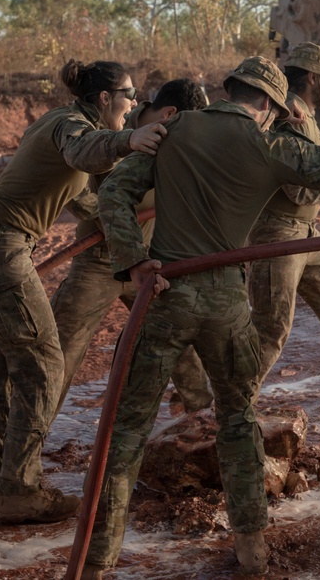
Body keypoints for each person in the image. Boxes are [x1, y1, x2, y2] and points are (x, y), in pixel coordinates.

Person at [82, 56, 320, 578]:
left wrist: (133, 261)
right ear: (267, 102)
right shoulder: (272, 145)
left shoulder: (173, 128)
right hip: (225, 301)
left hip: (166, 293)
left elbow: (113, 191)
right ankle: (251, 551)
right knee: (238, 421)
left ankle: (97, 560)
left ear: (232, 91)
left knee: (126, 430)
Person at [0, 59, 166, 525]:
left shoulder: (57, 123)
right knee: (45, 362)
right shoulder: (72, 127)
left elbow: (83, 196)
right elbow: (85, 153)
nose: (133, 106)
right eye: (129, 96)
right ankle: (22, 489)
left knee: (7, 364)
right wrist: (130, 141)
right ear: (105, 98)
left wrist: (123, 212)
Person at [50, 78, 214, 418]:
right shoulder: (110, 126)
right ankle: (25, 443)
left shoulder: (175, 138)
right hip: (100, 261)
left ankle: (202, 421)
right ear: (170, 114)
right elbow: (73, 187)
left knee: (175, 337)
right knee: (61, 353)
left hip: (150, 259)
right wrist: (115, 218)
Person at [247, 42, 320, 389]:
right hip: (278, 234)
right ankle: (231, 412)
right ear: (312, 77)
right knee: (270, 330)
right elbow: (301, 188)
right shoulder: (291, 113)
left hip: (304, 232)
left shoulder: (303, 115)